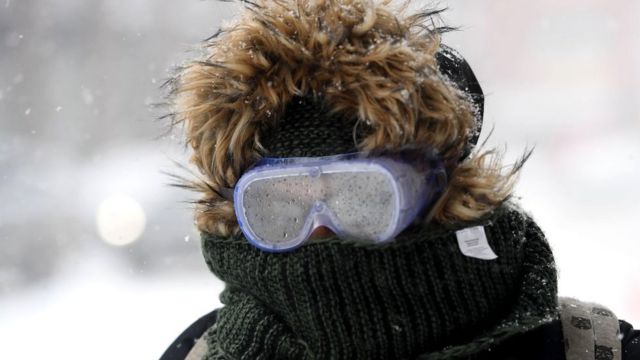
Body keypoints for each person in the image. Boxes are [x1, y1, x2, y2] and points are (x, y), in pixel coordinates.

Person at [160, 1, 640, 359]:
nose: (321, 231)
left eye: (362, 199)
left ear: (437, 198)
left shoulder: (588, 349)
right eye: (280, 208)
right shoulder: (201, 353)